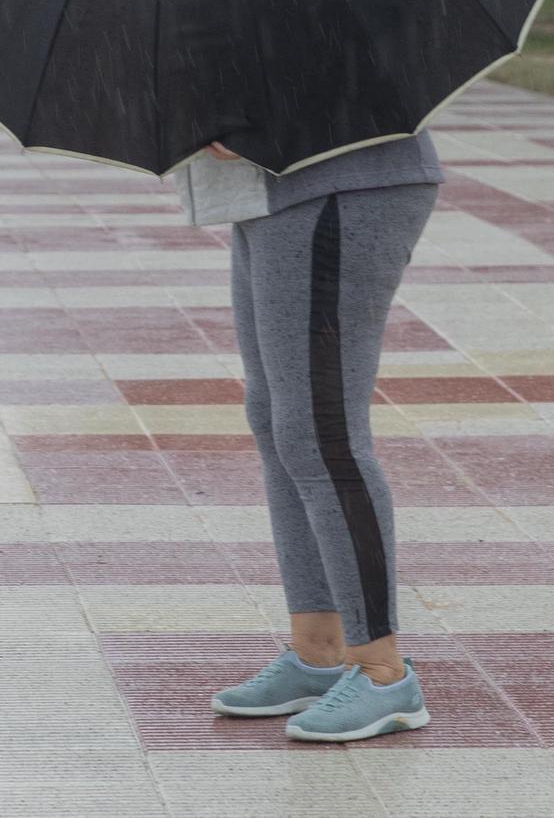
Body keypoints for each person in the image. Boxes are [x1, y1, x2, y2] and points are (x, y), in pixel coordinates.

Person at [172, 133, 441, 741]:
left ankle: (382, 674)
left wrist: (246, 120)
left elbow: (357, 59)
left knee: (323, 433)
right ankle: (317, 651)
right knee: (276, 420)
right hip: (268, 188)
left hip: (343, 181)